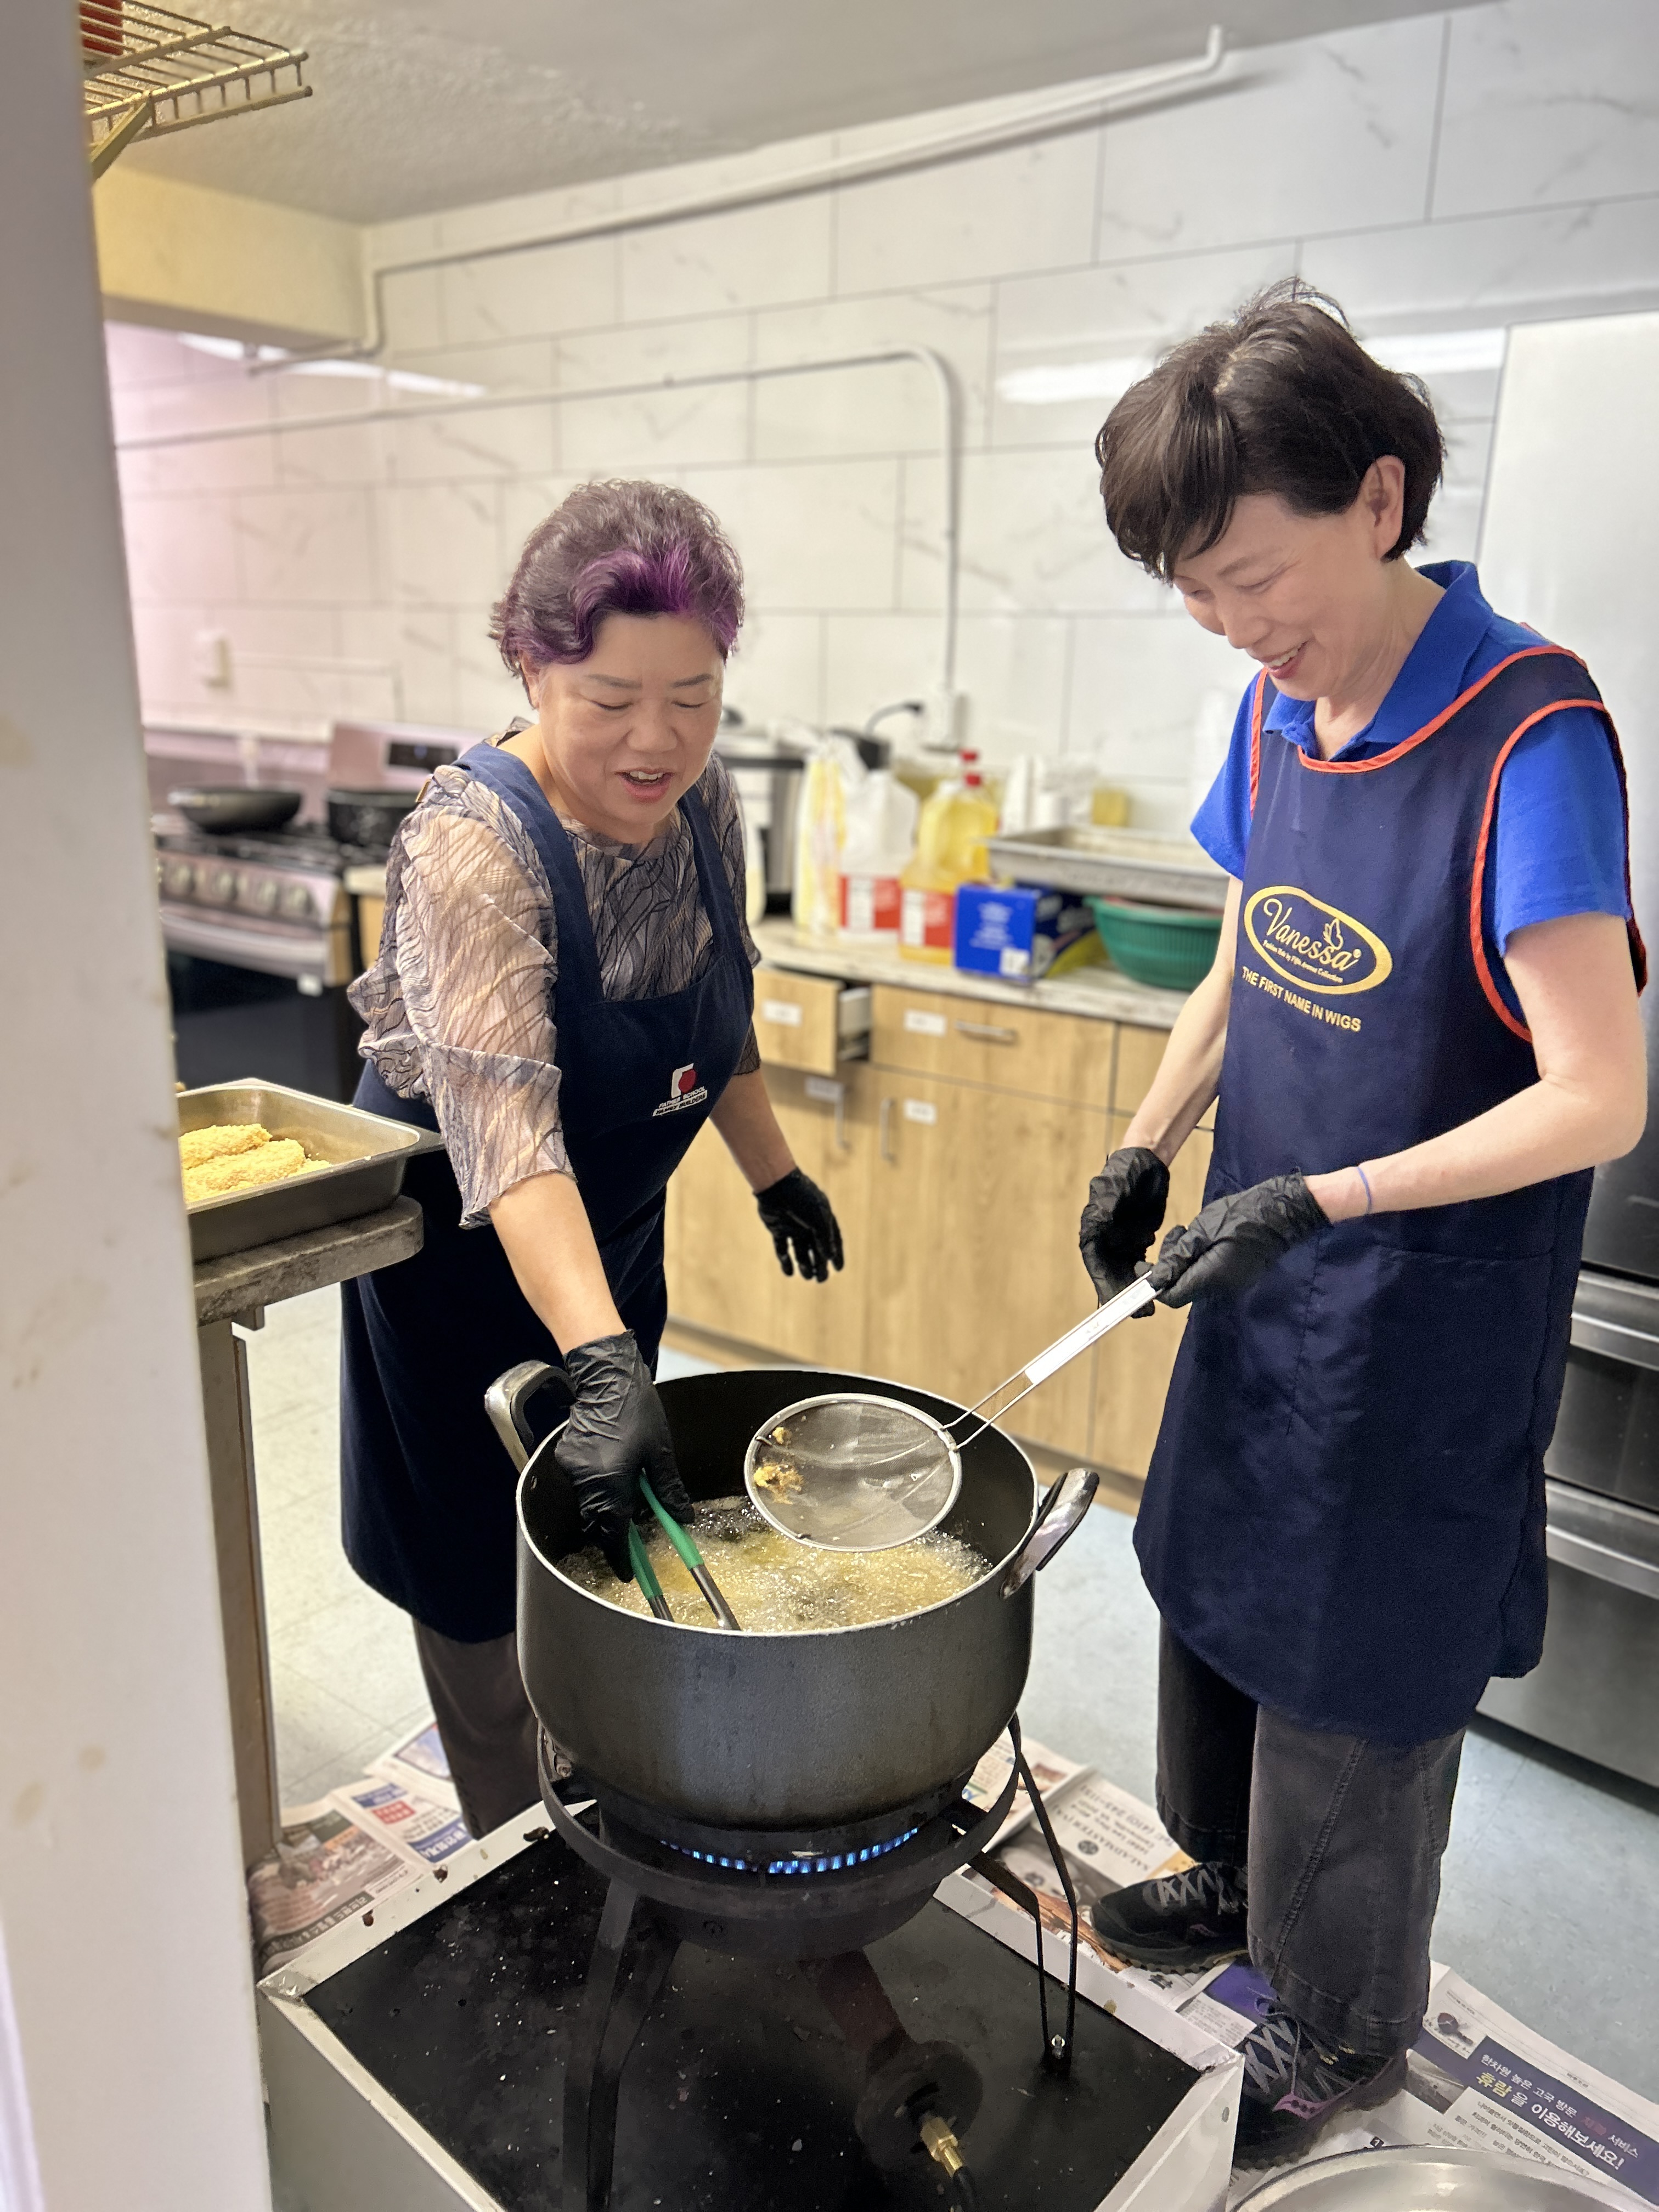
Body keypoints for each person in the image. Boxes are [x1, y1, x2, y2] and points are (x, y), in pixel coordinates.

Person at [1076, 283, 1645, 2166]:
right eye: (1198, 593)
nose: (1237, 625)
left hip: (1418, 1317)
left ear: (1379, 500)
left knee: (1356, 1679)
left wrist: (1325, 1196)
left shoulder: (1527, 733)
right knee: (1218, 1598)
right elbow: (1250, 944)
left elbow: (1600, 1092)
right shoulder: (1277, 709)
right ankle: (1233, 1887)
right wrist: (1147, 1139)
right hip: (1264, 1279)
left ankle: (1338, 2031)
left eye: (1254, 575)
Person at [341, 481, 843, 1838]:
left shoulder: (700, 802)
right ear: (531, 666)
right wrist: (603, 1360)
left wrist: (772, 1171)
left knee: (606, 1531)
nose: (657, 739)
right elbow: (510, 1139)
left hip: (610, 1250)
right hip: (458, 1267)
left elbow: (718, 1011)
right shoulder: (473, 847)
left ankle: (604, 1777)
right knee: (474, 1571)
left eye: (694, 696)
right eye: (612, 698)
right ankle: (516, 1846)